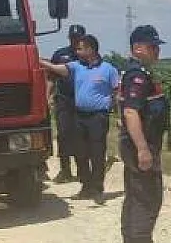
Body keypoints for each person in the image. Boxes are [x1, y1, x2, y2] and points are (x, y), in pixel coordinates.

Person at [117, 25, 171, 243]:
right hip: (141, 144)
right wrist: (142, 149)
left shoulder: (135, 74)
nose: (157, 51)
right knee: (147, 196)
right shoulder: (137, 76)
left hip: (135, 143)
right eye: (153, 46)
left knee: (134, 192)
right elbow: (131, 111)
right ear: (138, 48)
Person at [39, 34, 119, 205]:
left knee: (97, 153)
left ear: (91, 49)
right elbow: (55, 68)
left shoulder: (108, 69)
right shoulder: (76, 67)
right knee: (80, 153)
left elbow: (117, 93)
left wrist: (117, 114)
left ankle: (97, 188)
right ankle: (86, 185)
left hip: (98, 117)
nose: (77, 51)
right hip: (79, 115)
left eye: (80, 48)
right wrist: (38, 60)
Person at [46, 24, 85, 184]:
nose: (76, 41)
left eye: (79, 38)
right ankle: (65, 170)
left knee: (81, 136)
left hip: (82, 101)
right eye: (73, 38)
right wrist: (47, 96)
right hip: (63, 100)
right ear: (69, 38)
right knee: (63, 134)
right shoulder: (60, 54)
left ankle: (82, 170)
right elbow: (51, 78)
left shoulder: (88, 56)